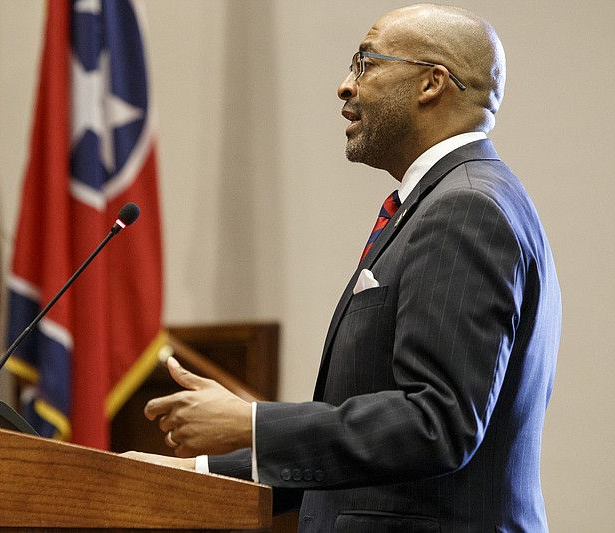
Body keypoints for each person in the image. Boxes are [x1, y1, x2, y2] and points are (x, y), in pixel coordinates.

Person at [125, 4, 561, 532]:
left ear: (431, 83)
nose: (344, 87)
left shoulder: (464, 208)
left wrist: (252, 423)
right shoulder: (456, 199)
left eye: (365, 63)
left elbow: (437, 424)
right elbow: (375, 458)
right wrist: (191, 475)